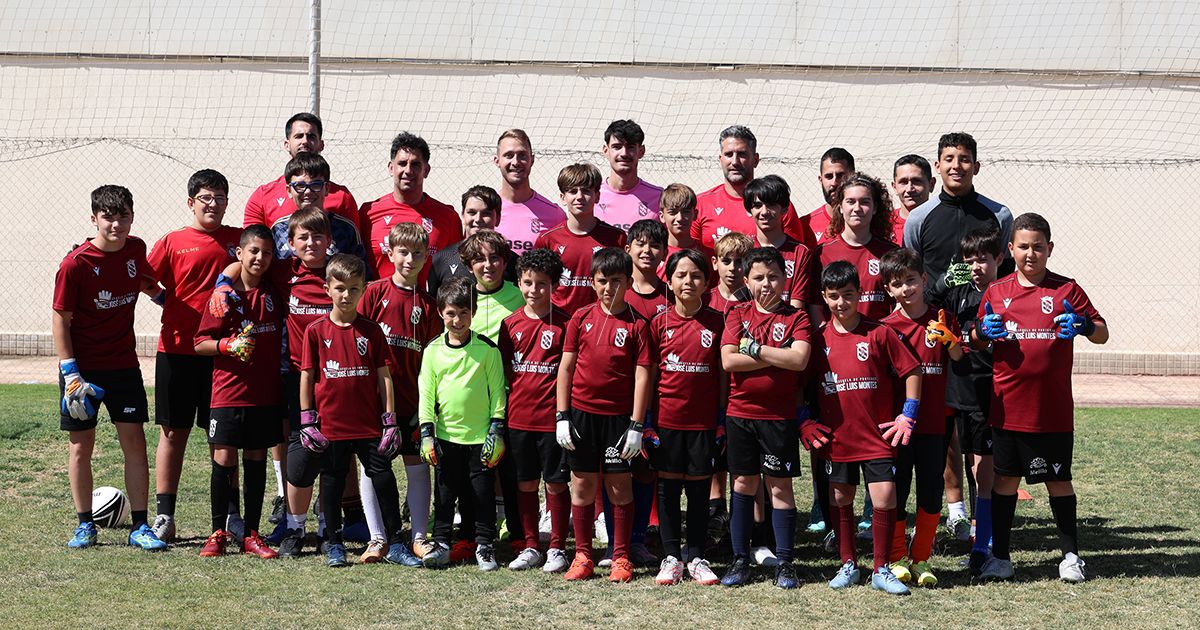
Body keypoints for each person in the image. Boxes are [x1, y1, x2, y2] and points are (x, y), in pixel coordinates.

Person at [973, 213, 1108, 583]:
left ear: (1049, 248)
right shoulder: (996, 291)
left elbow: (1102, 333)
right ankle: (1000, 556)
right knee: (1004, 482)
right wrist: (981, 332)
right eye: (1023, 246)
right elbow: (977, 337)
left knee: (1059, 481)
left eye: (1038, 246)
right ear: (1010, 250)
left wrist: (1082, 326)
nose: (1030, 254)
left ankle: (1070, 556)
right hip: (1007, 408)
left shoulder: (1067, 289)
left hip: (1051, 411)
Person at [904, 132, 1015, 539]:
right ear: (937, 166)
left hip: (985, 341)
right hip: (937, 338)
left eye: (964, 159)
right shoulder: (920, 219)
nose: (956, 166)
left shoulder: (998, 215)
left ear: (976, 166)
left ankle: (982, 521)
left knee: (982, 435)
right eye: (948, 159)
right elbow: (915, 275)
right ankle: (954, 509)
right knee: (943, 429)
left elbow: (1005, 276)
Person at [54, 185, 165, 551]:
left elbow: (145, 281)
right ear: (94, 219)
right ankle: (85, 525)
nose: (116, 224)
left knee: (134, 444)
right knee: (80, 447)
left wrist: (173, 303)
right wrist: (70, 372)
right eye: (108, 217)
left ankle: (140, 526)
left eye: (122, 216)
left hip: (123, 367)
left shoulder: (135, 248)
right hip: (81, 373)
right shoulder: (75, 264)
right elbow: (61, 319)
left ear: (132, 216)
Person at [810, 260, 921, 596]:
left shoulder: (880, 332)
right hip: (838, 436)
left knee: (885, 497)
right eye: (833, 296)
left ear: (859, 294)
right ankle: (848, 564)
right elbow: (801, 385)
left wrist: (908, 414)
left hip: (877, 435)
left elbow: (912, 371)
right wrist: (804, 419)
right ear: (824, 298)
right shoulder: (818, 340)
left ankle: (881, 568)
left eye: (848, 294)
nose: (841, 302)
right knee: (840, 496)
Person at [145, 169, 241, 542]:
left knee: (223, 438)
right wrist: (165, 299)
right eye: (205, 197)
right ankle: (165, 517)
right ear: (191, 202)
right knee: (173, 432)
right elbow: (145, 279)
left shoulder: (236, 240)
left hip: (222, 353)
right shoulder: (173, 241)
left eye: (220, 197)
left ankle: (230, 515)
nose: (213, 204)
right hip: (177, 351)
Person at [298, 254, 405, 568]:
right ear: (327, 288)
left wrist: (390, 421)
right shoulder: (316, 331)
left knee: (384, 478)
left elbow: (384, 377)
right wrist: (307, 419)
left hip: (369, 426)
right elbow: (307, 375)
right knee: (331, 483)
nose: (346, 295)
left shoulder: (371, 331)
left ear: (363, 290)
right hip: (331, 426)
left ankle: (396, 543)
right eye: (340, 288)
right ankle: (333, 544)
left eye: (354, 289)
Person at [718, 247, 812, 589]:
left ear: (785, 279)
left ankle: (785, 562)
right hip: (740, 414)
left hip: (779, 417)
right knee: (743, 484)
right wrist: (778, 356)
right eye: (758, 278)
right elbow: (728, 361)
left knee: (780, 487)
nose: (767, 284)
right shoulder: (737, 314)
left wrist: (754, 349)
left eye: (773, 277)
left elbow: (799, 360)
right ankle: (740, 559)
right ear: (747, 281)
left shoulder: (796, 318)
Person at [556, 247, 652, 582]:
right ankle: (582, 555)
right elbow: (566, 368)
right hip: (582, 418)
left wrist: (637, 425)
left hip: (619, 421)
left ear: (628, 282)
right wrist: (562, 416)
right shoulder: (580, 319)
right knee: (582, 485)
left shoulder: (638, 325)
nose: (608, 287)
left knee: (619, 487)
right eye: (602, 281)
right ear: (593, 283)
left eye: (616, 280)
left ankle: (620, 555)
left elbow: (643, 376)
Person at [193, 224, 284, 559]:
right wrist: (228, 345)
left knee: (256, 458)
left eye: (267, 252)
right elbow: (200, 343)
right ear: (240, 253)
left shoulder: (274, 292)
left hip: (264, 393)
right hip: (228, 393)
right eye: (254, 251)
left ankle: (252, 534)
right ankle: (218, 531)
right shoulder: (222, 298)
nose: (260, 258)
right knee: (223, 459)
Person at [358, 222, 443, 564]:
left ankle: (419, 536)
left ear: (427, 257)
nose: (410, 259)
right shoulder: (374, 292)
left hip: (412, 399)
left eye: (417, 253)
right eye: (403, 252)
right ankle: (377, 538)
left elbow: (433, 354)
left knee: (417, 464)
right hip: (374, 402)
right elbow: (357, 339)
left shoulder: (429, 304)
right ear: (389, 253)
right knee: (372, 466)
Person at [879, 247, 964, 587]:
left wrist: (952, 343)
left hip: (934, 422)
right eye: (898, 284)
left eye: (911, 281)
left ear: (924, 279)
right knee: (898, 490)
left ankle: (922, 558)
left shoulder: (941, 318)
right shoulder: (884, 327)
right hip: (898, 428)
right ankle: (898, 556)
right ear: (888, 289)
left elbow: (958, 358)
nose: (906, 289)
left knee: (931, 490)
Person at [417, 277, 509, 571]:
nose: (457, 320)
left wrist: (496, 429)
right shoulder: (432, 351)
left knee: (482, 494)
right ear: (441, 313)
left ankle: (484, 545)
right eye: (451, 313)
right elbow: (426, 394)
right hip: (446, 437)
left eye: (464, 313)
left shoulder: (487, 350)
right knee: (445, 494)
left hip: (480, 438)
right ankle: (442, 543)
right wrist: (426, 433)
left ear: (473, 311)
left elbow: (497, 391)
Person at [647, 249, 726, 586]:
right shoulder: (658, 323)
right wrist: (647, 421)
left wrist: (721, 418)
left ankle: (695, 557)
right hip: (666, 422)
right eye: (681, 275)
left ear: (707, 281)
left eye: (695, 275)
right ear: (670, 281)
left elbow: (723, 376)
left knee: (697, 492)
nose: (688, 281)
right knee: (666, 490)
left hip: (703, 423)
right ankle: (670, 557)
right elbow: (649, 376)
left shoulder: (718, 322)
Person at [935, 226, 1004, 576]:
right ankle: (976, 538)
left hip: (989, 389)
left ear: (999, 260)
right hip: (958, 388)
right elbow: (930, 304)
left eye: (983, 259)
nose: (976, 266)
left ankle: (984, 545)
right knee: (960, 461)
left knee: (983, 471)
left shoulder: (1003, 294)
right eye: (970, 260)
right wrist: (946, 280)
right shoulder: (957, 292)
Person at [499, 248, 572, 572]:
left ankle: (557, 546)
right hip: (519, 420)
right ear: (519, 282)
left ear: (554, 285)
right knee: (525, 483)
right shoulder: (509, 324)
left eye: (541, 284)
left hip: (551, 422)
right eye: (527, 282)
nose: (533, 290)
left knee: (555, 483)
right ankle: (531, 545)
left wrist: (563, 416)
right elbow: (502, 373)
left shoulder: (566, 324)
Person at [459, 228, 526, 557]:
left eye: (495, 258)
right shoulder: (461, 297)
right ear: (468, 264)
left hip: (509, 395)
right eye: (480, 259)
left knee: (509, 468)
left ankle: (517, 532)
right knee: (472, 469)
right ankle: (470, 533)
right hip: (469, 399)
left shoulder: (519, 295)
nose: (488, 265)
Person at [244, 114, 364, 262]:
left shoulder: (342, 196)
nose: (305, 141)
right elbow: (251, 250)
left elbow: (355, 249)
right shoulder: (263, 195)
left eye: (311, 136)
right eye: (299, 136)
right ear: (287, 144)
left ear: (321, 144)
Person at [700, 231, 753, 545]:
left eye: (740, 262)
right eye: (727, 261)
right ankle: (715, 512)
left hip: (743, 390)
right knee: (713, 458)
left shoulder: (755, 299)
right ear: (715, 263)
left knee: (742, 464)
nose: (733, 268)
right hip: (709, 390)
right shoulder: (705, 298)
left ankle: (747, 524)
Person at [359, 132, 462, 282]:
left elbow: (455, 271)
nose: (408, 170)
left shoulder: (448, 217)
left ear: (426, 170)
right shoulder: (368, 213)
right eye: (402, 163)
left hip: (428, 304)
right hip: (379, 304)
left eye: (415, 164)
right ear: (390, 168)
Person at [690, 125, 809, 253]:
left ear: (756, 160)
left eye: (742, 154)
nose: (734, 162)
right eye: (729, 154)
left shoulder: (777, 205)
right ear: (721, 160)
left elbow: (793, 258)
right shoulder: (700, 205)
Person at [533, 163, 627, 315]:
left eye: (586, 191)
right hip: (559, 321)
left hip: (600, 320)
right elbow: (536, 284)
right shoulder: (547, 239)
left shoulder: (616, 238)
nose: (579, 197)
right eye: (572, 191)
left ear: (597, 196)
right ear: (563, 197)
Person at [810, 173, 900, 324]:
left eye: (864, 202)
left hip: (880, 341)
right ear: (840, 207)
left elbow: (899, 302)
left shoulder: (891, 253)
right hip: (837, 342)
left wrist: (885, 336)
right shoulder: (822, 253)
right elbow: (816, 307)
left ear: (875, 208)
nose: (857, 208)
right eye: (850, 202)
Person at [427, 185, 517, 298]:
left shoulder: (512, 262)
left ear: (497, 218)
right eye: (472, 212)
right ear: (463, 216)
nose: (478, 219)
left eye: (486, 213)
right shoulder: (442, 259)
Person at [742, 175, 814, 309]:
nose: (764, 212)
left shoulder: (800, 252)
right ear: (749, 211)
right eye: (757, 206)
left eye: (771, 205)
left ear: (785, 209)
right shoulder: (744, 249)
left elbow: (797, 306)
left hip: (787, 326)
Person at [493, 129, 565, 255]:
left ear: (532, 160)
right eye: (509, 155)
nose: (515, 162)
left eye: (522, 155)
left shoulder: (554, 214)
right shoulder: (485, 211)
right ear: (497, 161)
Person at [598, 119, 663, 232]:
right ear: (605, 150)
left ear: (641, 151)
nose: (624, 153)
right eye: (617, 147)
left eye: (631, 147)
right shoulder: (591, 196)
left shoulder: (660, 197)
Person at [800, 147, 855, 245]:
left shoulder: (867, 222)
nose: (834, 182)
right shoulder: (805, 225)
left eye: (840, 175)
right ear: (821, 180)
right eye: (829, 176)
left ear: (853, 176)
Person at [657, 183, 711, 281]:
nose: (680, 218)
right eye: (672, 212)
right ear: (662, 216)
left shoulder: (707, 254)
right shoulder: (655, 254)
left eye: (686, 212)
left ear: (695, 214)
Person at [624, 219, 671, 319]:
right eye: (640, 244)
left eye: (655, 246)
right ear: (628, 250)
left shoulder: (672, 295)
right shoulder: (616, 291)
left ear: (665, 254)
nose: (647, 250)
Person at [889, 154, 935, 246]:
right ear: (894, 187)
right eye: (903, 182)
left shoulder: (941, 221)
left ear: (931, 184)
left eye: (916, 181)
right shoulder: (883, 224)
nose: (909, 189)